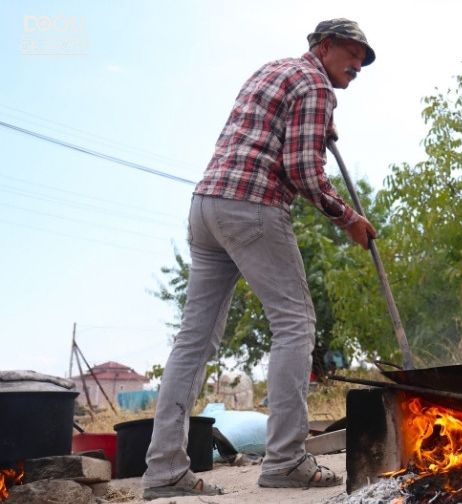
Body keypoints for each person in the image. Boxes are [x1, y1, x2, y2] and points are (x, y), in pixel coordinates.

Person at [141, 18, 378, 499]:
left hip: (206, 206)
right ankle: (286, 460)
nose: (358, 65)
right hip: (252, 206)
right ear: (324, 45)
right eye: (353, 53)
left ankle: (164, 469)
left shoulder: (273, 70)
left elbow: (266, 133)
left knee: (194, 341)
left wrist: (317, 125)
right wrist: (348, 217)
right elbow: (303, 171)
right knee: (295, 323)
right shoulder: (315, 84)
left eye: (363, 59)